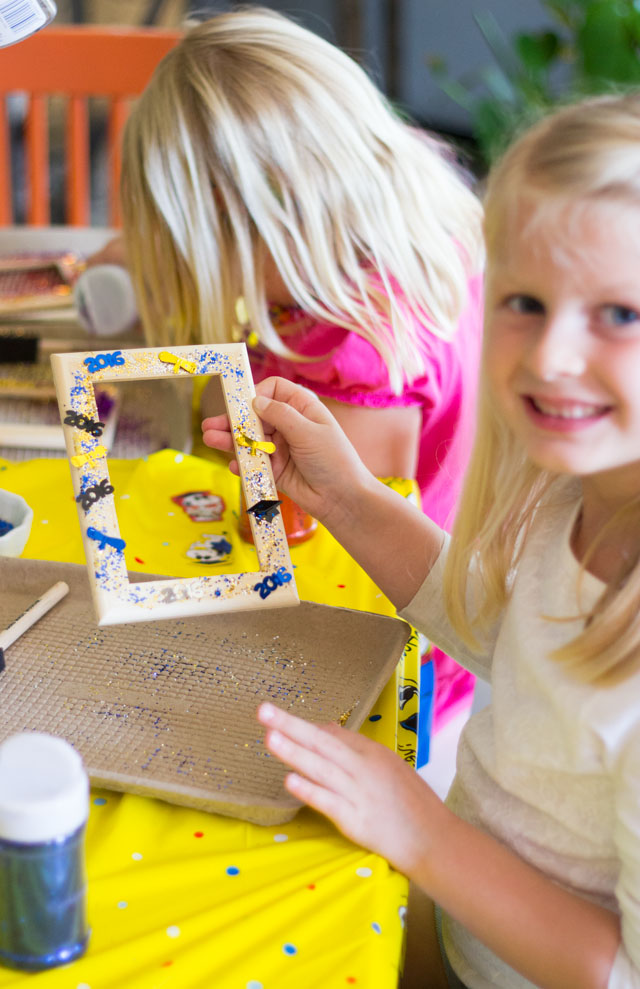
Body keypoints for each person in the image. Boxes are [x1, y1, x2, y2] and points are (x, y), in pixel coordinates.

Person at [202, 91, 640, 988]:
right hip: (449, 932)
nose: (551, 354)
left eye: (620, 315)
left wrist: (419, 827)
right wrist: (348, 497)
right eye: (525, 299)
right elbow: (496, 635)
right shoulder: (576, 495)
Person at [117, 8, 485, 740]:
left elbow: (339, 572)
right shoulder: (385, 209)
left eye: (192, 245)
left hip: (388, 678)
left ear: (249, 225)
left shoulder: (354, 356)